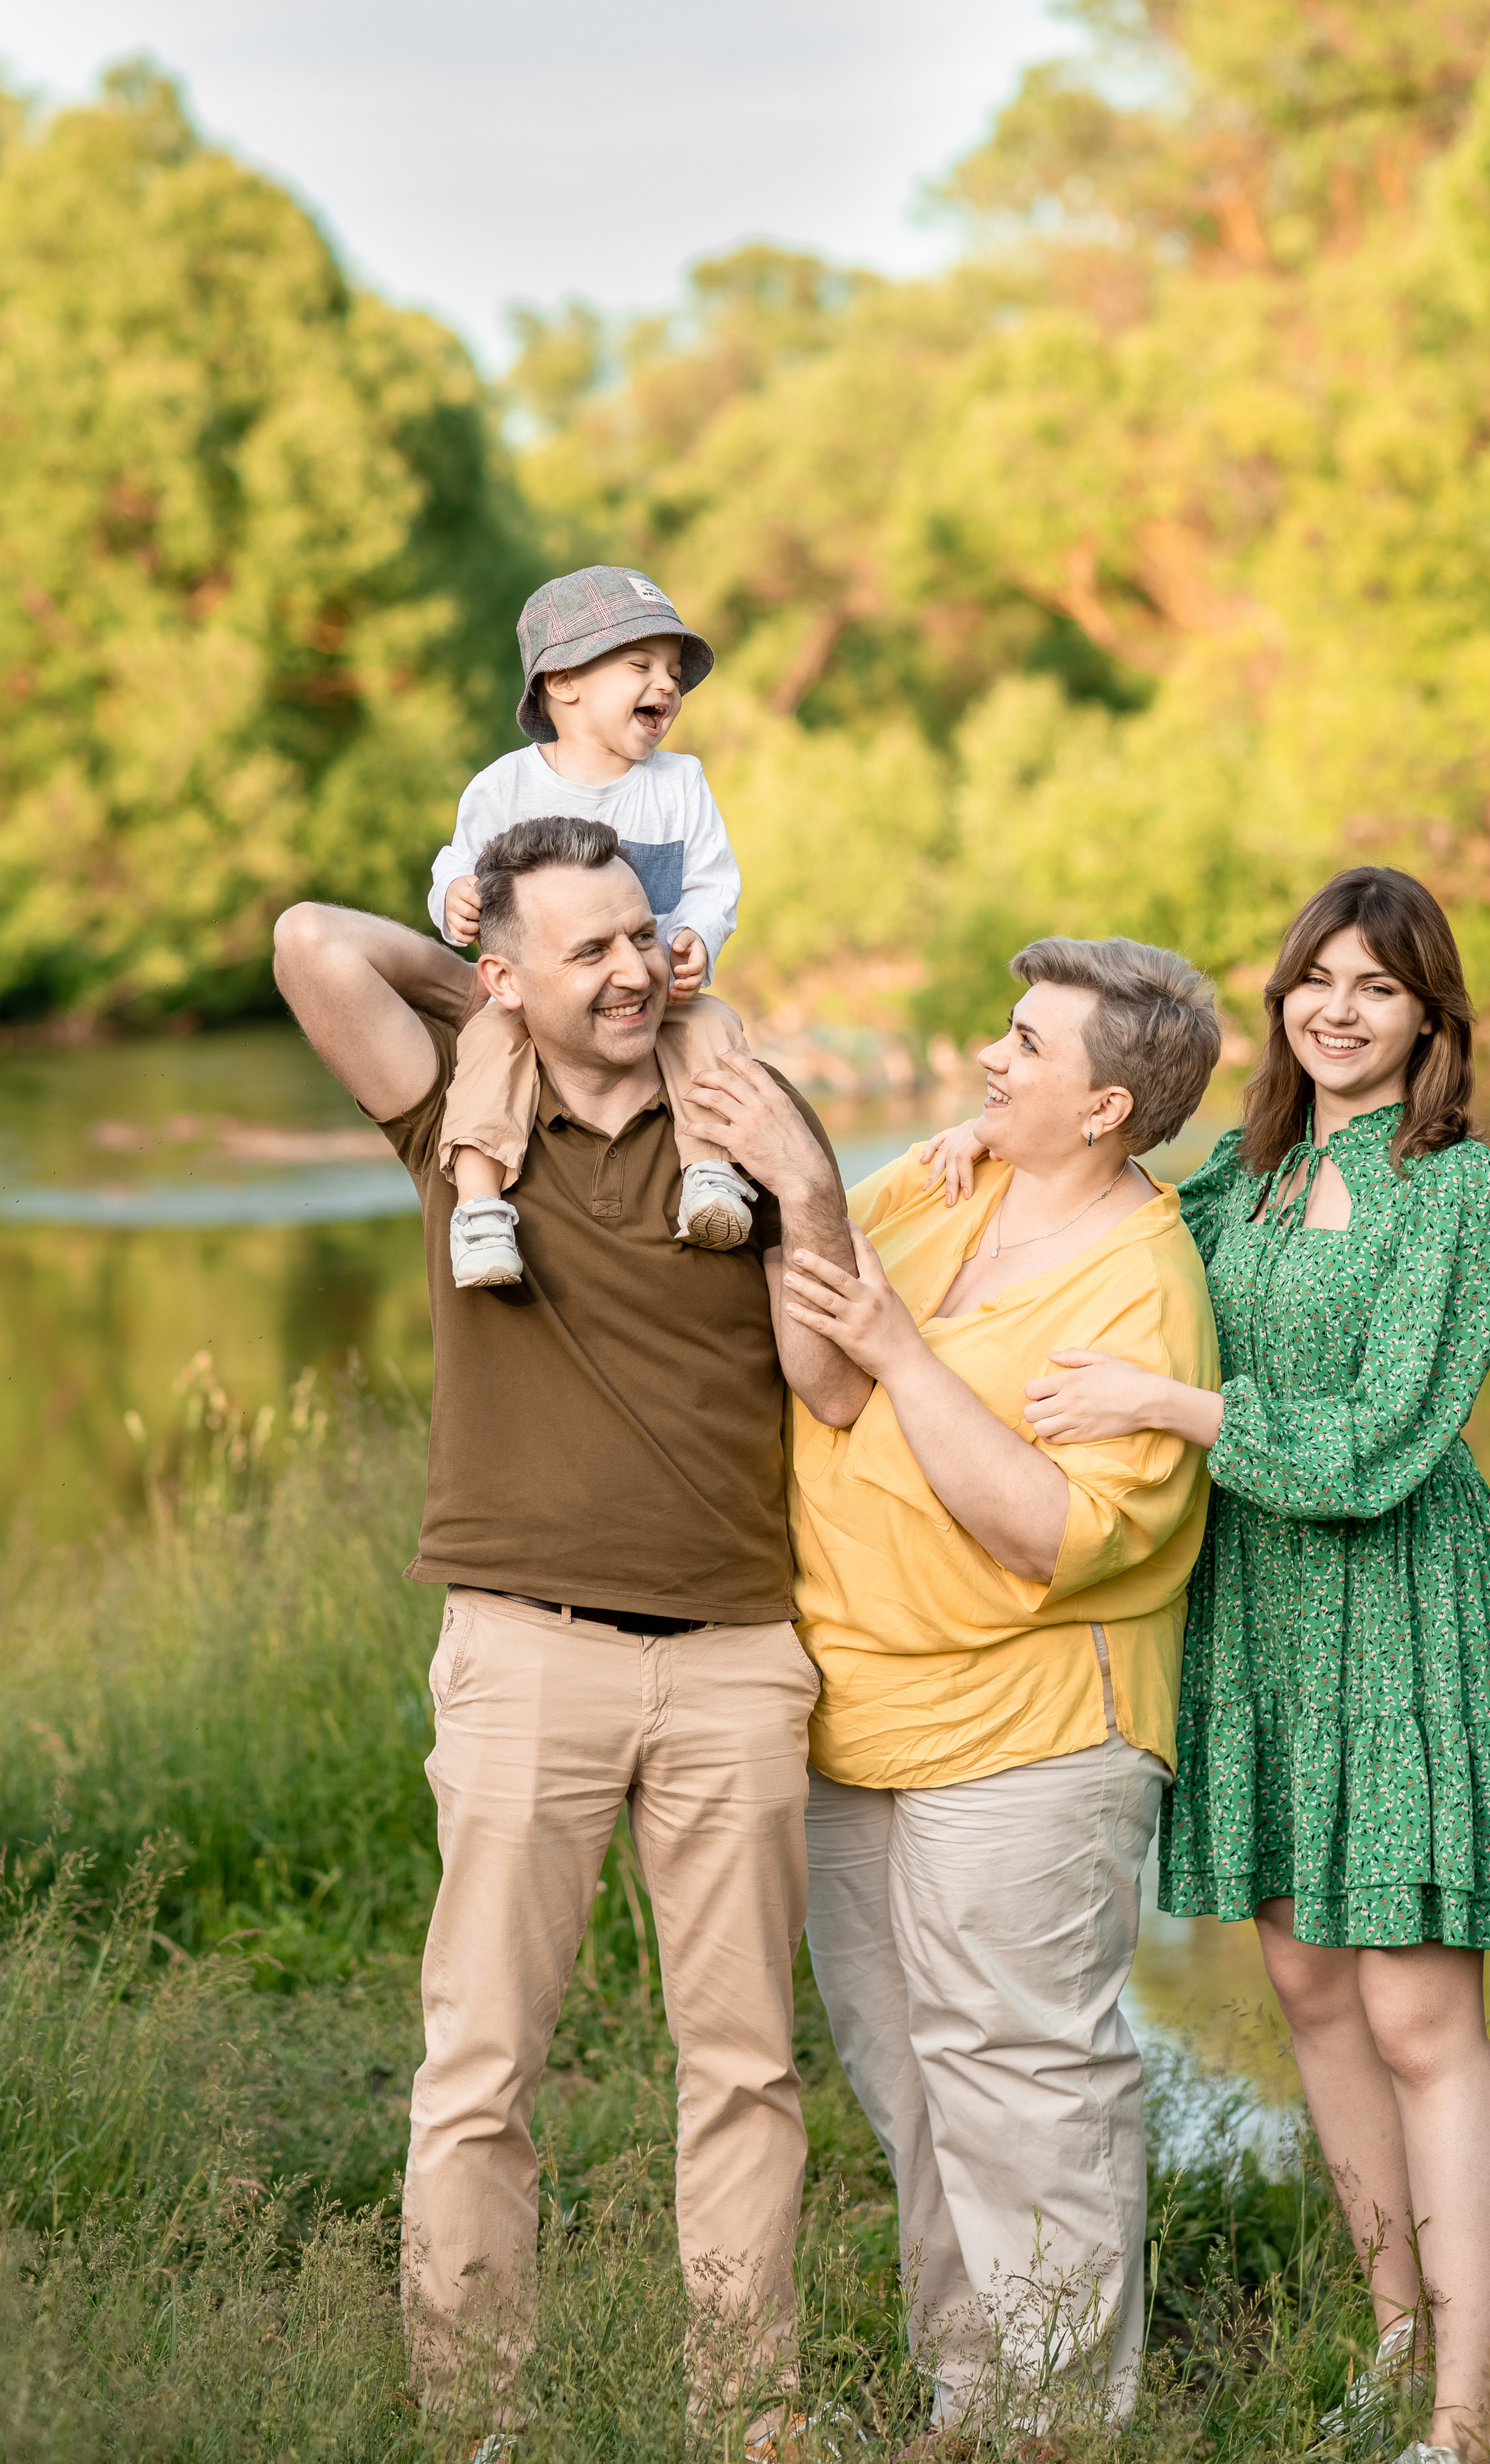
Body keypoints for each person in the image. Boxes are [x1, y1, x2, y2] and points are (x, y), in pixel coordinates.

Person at [932, 867, 1490, 2464]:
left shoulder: (1459, 1189)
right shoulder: (1240, 1174)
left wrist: (1179, 1415)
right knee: (1305, 1988)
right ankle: (1388, 2330)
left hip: (1398, 1620)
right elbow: (1101, 1184)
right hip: (1256, 1617)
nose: (1337, 1007)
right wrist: (975, 1147)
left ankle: (1466, 2412)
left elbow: (1376, 1441)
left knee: (1420, 2015)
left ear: (1430, 1015)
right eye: (1315, 978)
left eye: (1377, 984)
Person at [272, 813, 866, 2447]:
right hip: (524, 1653)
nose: (626, 967)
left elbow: (825, 1378)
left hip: (738, 1656)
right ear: (507, 967)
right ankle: (478, 2427)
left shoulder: (735, 1118)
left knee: (743, 2073)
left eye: (639, 934)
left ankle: (751, 2423)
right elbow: (314, 942)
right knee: (478, 2075)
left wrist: (805, 1183)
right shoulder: (463, 1120)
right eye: (583, 945)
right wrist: (491, 998)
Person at [777, 936, 1224, 2432]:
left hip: (1026, 1735)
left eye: (1026, 1046)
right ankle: (964, 2395)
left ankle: (1057, 2420)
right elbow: (820, 1369)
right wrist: (811, 1197)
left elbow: (1055, 1533)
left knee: (1024, 2076)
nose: (990, 1057)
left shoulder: (1139, 1284)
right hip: (858, 1712)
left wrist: (908, 1355)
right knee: (909, 2074)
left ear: (1103, 1107)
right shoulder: (939, 1184)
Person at [428, 562, 757, 1288]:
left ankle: (708, 1172)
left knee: (712, 1029)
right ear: (564, 682)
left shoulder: (680, 784)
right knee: (487, 1046)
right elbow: (457, 861)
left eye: (674, 671)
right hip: (545, 1003)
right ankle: (481, 1209)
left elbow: (713, 881)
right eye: (640, 664)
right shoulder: (508, 786)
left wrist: (698, 935)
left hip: (653, 995)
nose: (666, 685)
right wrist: (452, 895)